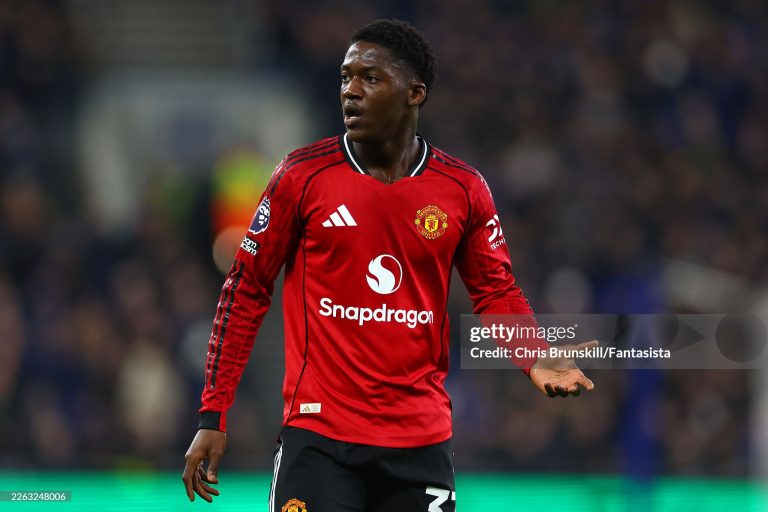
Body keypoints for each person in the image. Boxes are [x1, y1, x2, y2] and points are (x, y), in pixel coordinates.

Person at [182, 19, 596, 512]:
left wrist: (533, 354)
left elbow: (496, 291)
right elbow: (245, 290)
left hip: (420, 445)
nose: (350, 92)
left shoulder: (462, 190)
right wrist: (214, 413)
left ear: (414, 93)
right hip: (319, 440)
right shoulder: (302, 176)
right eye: (345, 77)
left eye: (370, 78)